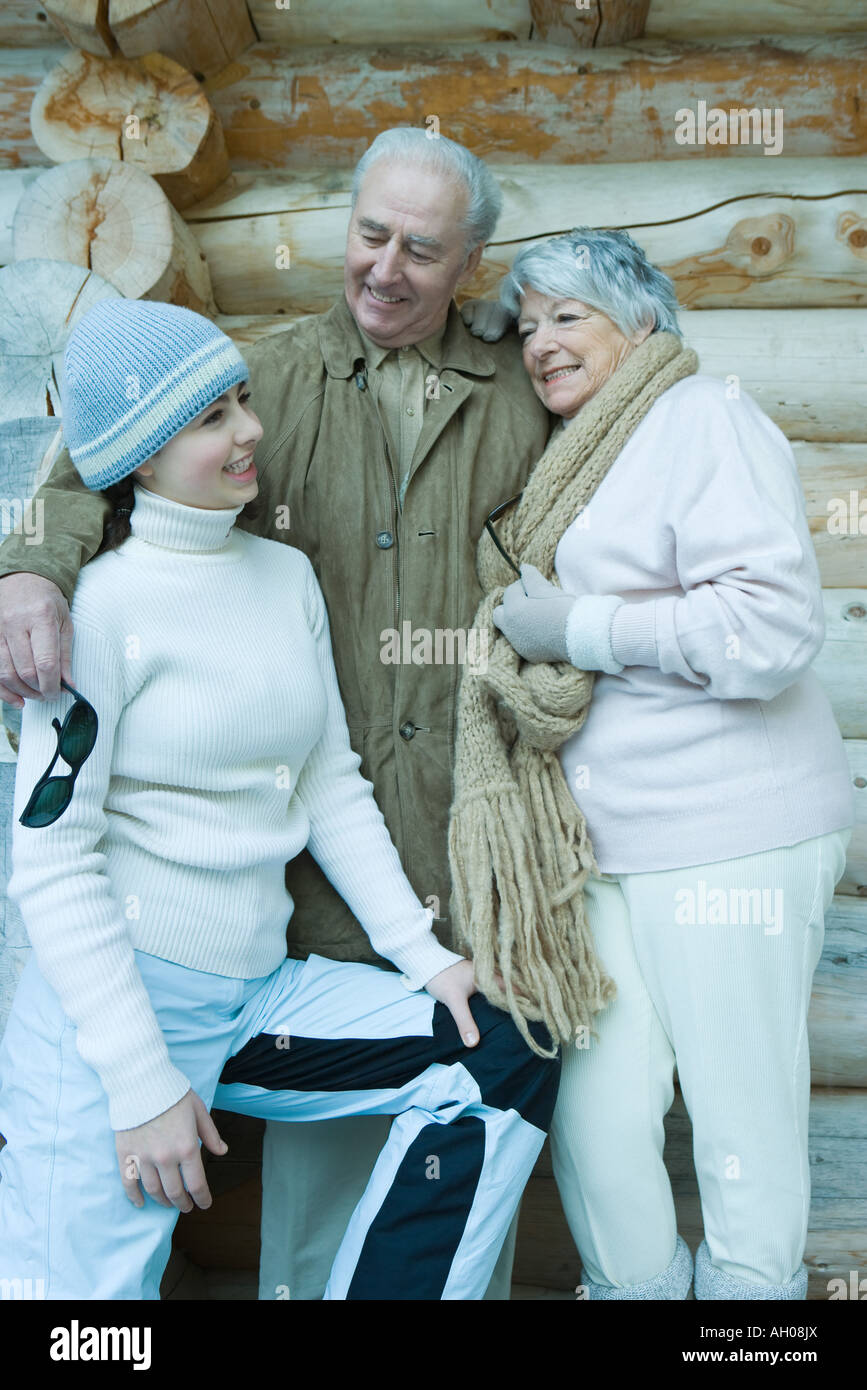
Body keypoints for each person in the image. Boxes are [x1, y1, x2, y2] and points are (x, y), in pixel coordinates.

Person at [0, 127, 553, 1299]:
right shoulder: (100, 613)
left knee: (496, 1049)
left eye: (240, 405)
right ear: (144, 458)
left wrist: (425, 958)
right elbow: (50, 866)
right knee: (85, 1315)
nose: (247, 429)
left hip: (260, 997)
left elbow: (325, 780)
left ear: (470, 262)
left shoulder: (280, 575)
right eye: (369, 233)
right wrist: (142, 1083)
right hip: (121, 1015)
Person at [451, 228, 855, 1299]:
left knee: (740, 1122)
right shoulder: (577, 452)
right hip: (608, 846)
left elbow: (769, 629)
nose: (539, 344)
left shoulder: (702, 420)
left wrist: (582, 627)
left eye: (566, 317)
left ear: (641, 321)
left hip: (735, 830)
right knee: (600, 1119)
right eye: (527, 325)